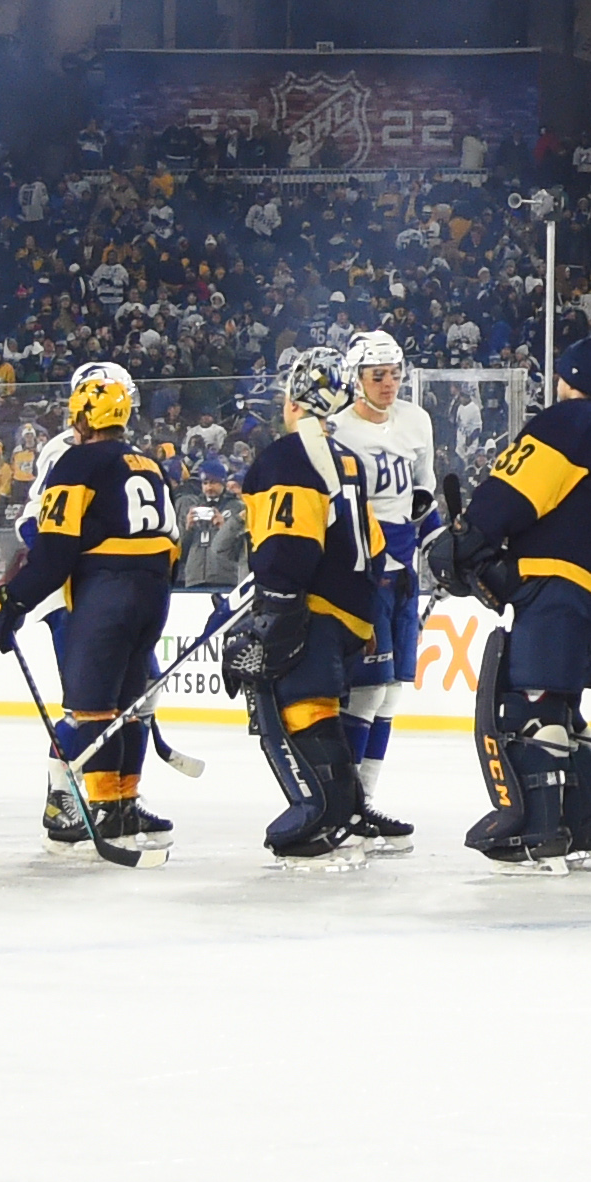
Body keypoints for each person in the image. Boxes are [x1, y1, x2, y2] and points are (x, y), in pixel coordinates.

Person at [434, 337, 591, 872]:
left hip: (563, 583)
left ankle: (540, 835)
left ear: (566, 379)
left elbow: (517, 491)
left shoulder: (567, 422)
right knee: (566, 712)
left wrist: (471, 535)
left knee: (532, 709)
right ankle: (590, 835)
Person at [0, 361, 175, 865]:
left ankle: (87, 806)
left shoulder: (73, 461)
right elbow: (171, 541)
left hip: (99, 594)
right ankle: (111, 803)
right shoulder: (147, 462)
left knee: (93, 708)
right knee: (130, 703)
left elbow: (53, 547)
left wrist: (17, 601)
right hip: (151, 593)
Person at [221, 349, 378, 868]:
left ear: (291, 399)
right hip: (350, 606)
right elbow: (371, 544)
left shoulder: (288, 458)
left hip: (314, 607)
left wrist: (273, 618)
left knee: (296, 710)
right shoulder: (347, 456)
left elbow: (290, 551)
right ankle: (348, 812)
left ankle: (321, 817)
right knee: (320, 709)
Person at [324, 329, 441, 849]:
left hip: (405, 565)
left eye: (395, 373)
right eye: (378, 375)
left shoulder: (416, 420)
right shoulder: (338, 429)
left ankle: (364, 799)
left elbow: (426, 478)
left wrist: (425, 500)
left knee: (391, 692)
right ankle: (345, 803)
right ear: (357, 379)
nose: (389, 383)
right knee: (366, 690)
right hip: (364, 566)